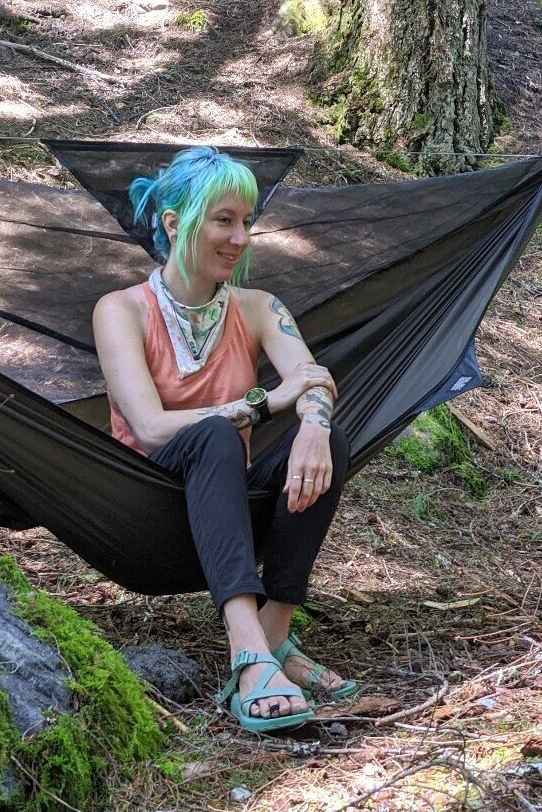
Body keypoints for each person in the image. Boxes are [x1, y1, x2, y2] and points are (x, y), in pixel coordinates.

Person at [93, 146, 357, 734]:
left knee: (328, 440)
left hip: (228, 510)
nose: (241, 237)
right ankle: (246, 652)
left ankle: (274, 638)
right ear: (173, 224)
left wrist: (313, 425)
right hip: (146, 506)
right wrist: (261, 403)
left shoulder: (259, 307)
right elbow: (152, 426)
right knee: (213, 433)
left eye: (246, 222)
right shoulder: (121, 311)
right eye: (224, 220)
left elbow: (312, 381)